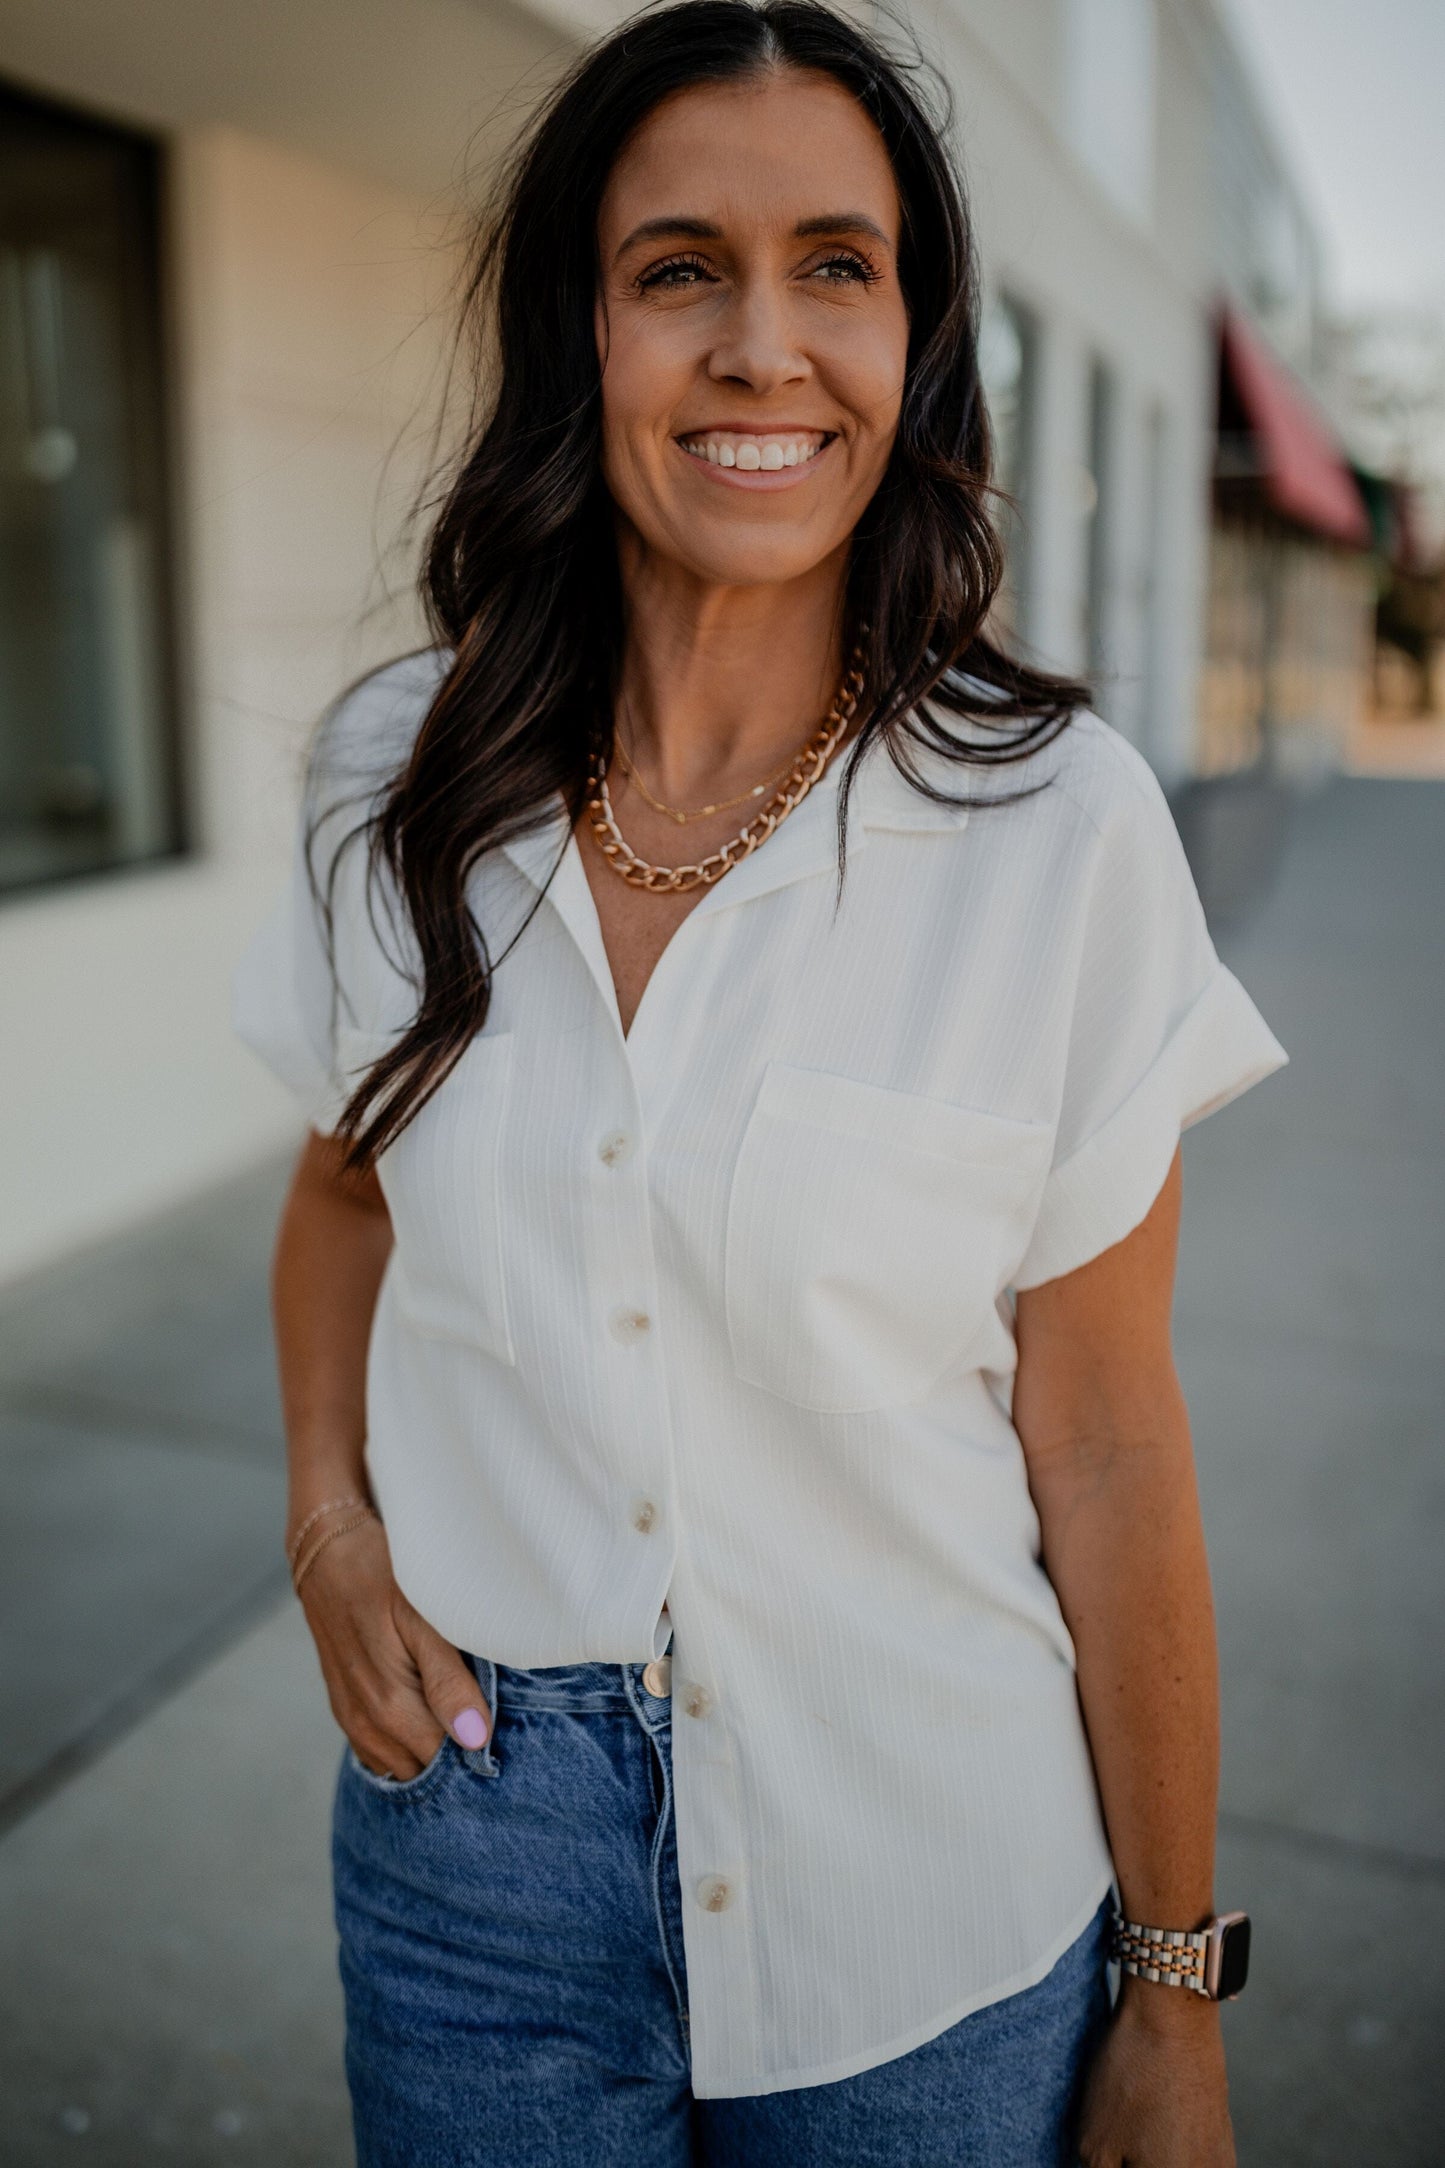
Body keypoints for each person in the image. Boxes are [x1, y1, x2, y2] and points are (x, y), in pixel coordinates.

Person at [232, 5, 1286, 2162]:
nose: (763, 344)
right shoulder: (394, 779)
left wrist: (1175, 1991)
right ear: (578, 331)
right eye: (678, 267)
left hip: (934, 1882)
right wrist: (328, 1517)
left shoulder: (1060, 830)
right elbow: (347, 1197)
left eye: (837, 263)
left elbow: (1102, 1441)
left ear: (917, 340)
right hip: (475, 1874)